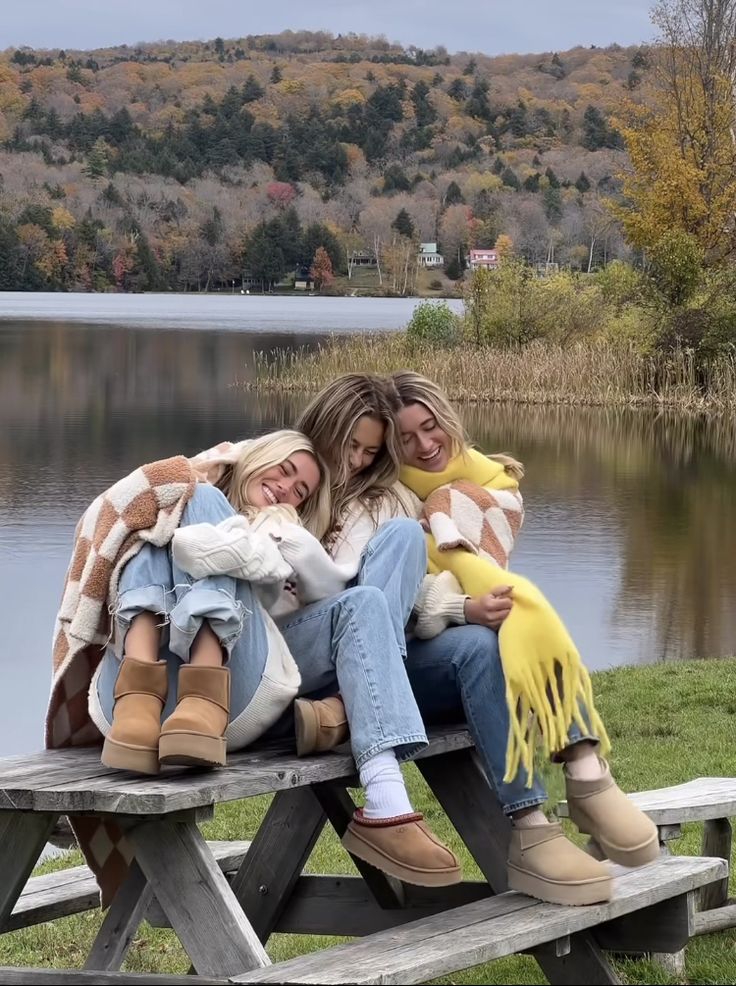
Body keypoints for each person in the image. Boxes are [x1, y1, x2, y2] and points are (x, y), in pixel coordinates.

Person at [296, 371, 659, 907]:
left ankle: (546, 809)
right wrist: (459, 604)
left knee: (501, 631)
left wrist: (460, 606)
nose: (421, 446)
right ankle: (564, 791)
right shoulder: (290, 475)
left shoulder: (407, 498)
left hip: (392, 658)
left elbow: (408, 584)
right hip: (321, 660)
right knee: (485, 628)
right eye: (399, 440)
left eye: (371, 449)